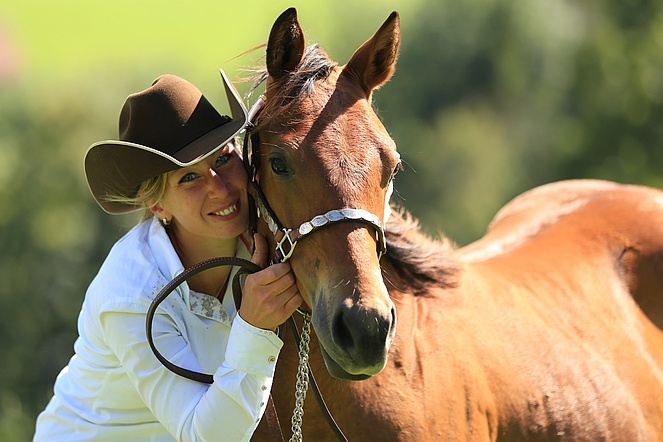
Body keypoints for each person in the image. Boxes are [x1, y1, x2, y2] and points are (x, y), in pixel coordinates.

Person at [33, 70, 303, 441]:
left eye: (223, 159)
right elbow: (204, 436)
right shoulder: (130, 295)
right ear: (158, 205)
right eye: (188, 179)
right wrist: (255, 327)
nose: (219, 188)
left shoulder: (271, 235)